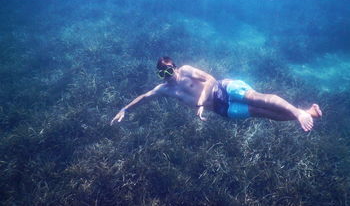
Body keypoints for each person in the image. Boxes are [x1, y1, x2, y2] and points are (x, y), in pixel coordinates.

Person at [111, 56, 322, 131]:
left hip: (224, 88)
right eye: (161, 73)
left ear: (174, 67)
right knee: (263, 112)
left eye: (168, 70)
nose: (166, 75)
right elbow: (145, 97)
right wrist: (125, 109)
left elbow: (210, 79)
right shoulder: (165, 89)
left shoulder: (185, 70)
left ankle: (298, 112)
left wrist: (201, 102)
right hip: (222, 109)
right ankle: (305, 112)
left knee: (260, 98)